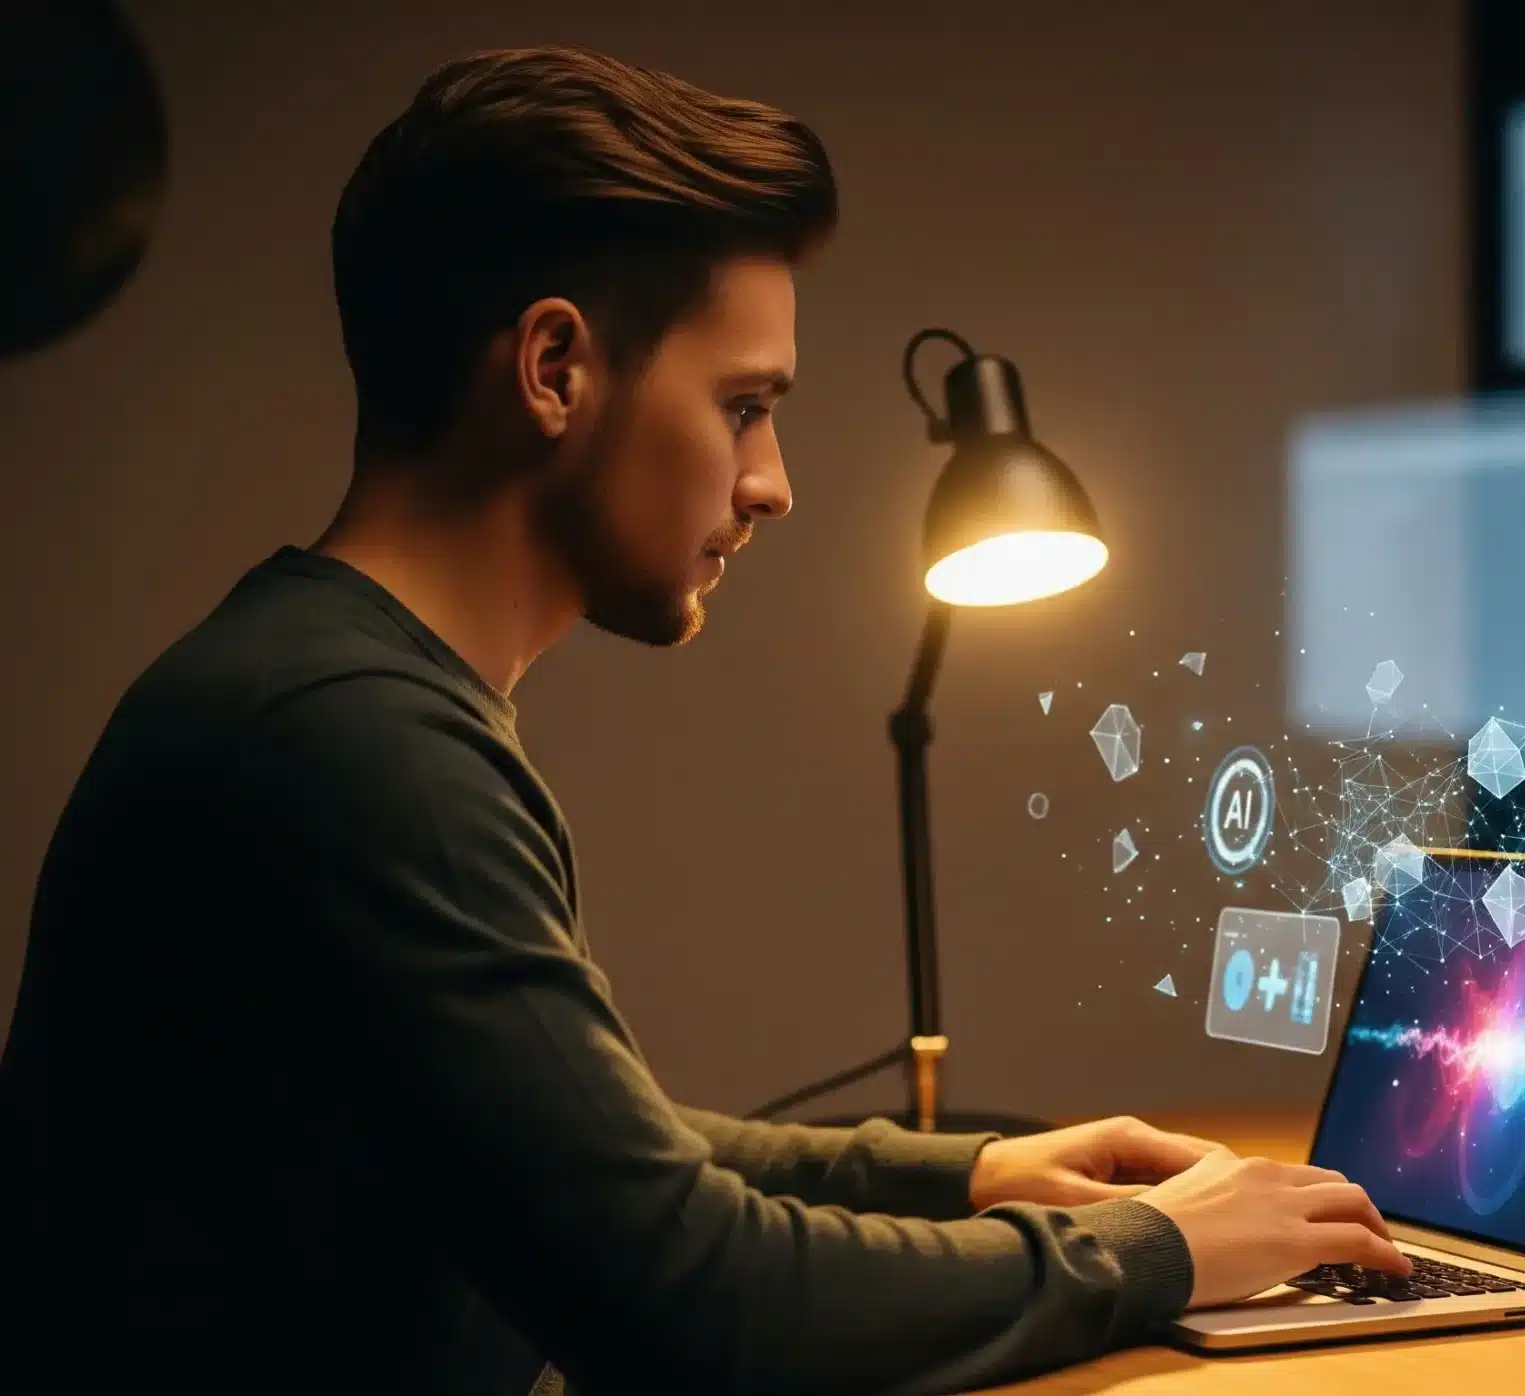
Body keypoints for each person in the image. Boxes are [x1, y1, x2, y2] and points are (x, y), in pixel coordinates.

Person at [0, 44, 1405, 1396]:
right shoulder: (355, 748)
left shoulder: (326, 694)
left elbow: (596, 1162)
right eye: (745, 407)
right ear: (554, 368)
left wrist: (968, 1175)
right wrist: (1153, 1252)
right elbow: (696, 1303)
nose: (774, 482)